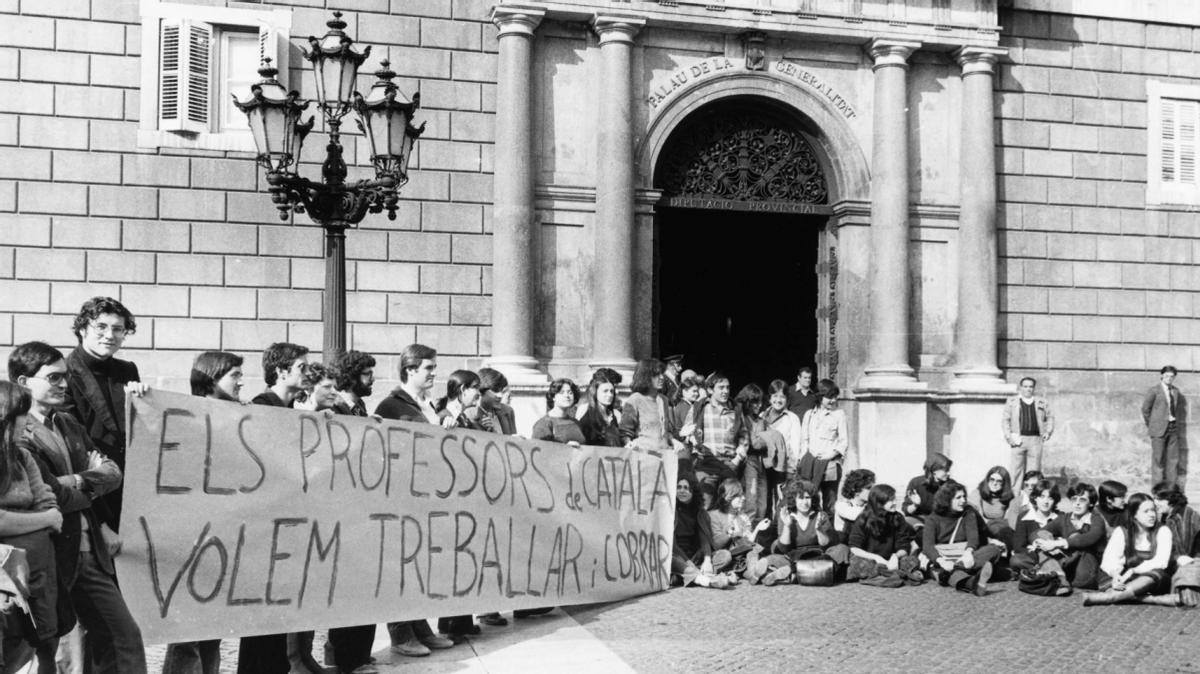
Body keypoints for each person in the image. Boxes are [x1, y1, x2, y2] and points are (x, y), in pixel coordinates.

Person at [9, 342, 144, 673]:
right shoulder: (16, 432)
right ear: (25, 382)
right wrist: (88, 481)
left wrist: (74, 481)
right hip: (50, 555)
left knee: (123, 636)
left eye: (65, 378)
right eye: (54, 378)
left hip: (89, 550)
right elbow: (54, 495)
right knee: (51, 652)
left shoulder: (68, 422)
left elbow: (112, 471)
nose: (64, 385)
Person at [160, 352, 244, 674]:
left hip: (224, 534)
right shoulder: (183, 416)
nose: (240, 381)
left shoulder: (237, 417)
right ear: (211, 379)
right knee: (189, 631)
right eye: (234, 374)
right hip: (191, 535)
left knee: (213, 627)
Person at [372, 344, 455, 657]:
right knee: (399, 566)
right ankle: (400, 634)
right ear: (410, 371)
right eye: (428, 368)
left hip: (425, 498)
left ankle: (420, 627)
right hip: (400, 501)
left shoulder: (429, 405)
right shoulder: (392, 406)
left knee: (418, 565)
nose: (434, 373)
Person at [60, 297, 141, 536]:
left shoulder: (128, 370)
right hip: (94, 490)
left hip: (130, 487)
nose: (110, 335)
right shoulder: (64, 372)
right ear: (83, 329)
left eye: (118, 329)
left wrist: (143, 401)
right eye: (101, 327)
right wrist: (102, 522)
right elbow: (75, 449)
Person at [0, 381, 63, 674]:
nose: (28, 420)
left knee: (37, 646)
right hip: (5, 580)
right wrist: (44, 521)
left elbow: (48, 504)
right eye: (23, 413)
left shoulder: (23, 457)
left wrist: (44, 518)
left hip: (36, 574)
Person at [1086, 493, 1174, 605]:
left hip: (1151, 580)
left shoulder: (1163, 531)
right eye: (1146, 511)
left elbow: (1161, 562)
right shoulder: (1122, 532)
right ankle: (1145, 598)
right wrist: (1115, 575)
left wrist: (1133, 570)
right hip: (1127, 578)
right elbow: (1110, 559)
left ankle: (1109, 597)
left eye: (1153, 510)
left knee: (1155, 574)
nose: (1152, 515)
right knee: (1105, 576)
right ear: (1134, 514)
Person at [922, 480, 999, 597]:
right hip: (942, 559)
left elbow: (973, 539)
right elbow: (928, 546)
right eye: (958, 497)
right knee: (945, 569)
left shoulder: (968, 513)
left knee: (994, 550)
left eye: (964, 496)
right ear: (946, 500)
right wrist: (942, 561)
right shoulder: (932, 519)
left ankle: (950, 573)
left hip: (965, 557)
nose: (963, 500)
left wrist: (968, 553)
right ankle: (972, 583)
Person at [846, 484, 922, 586]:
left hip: (892, 559)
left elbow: (904, 545)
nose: (895, 502)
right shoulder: (863, 518)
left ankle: (884, 575)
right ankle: (894, 575)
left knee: (912, 561)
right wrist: (877, 558)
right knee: (858, 564)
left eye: (895, 499)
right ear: (879, 503)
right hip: (870, 559)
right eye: (891, 500)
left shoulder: (898, 518)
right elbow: (854, 547)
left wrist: (895, 556)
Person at [1040, 482, 1107, 591]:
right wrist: (1042, 542)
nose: (1077, 504)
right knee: (1042, 550)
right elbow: (1038, 532)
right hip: (1069, 566)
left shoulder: (1096, 519)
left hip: (1089, 569)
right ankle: (1058, 577)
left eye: (1082, 500)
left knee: (1079, 545)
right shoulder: (1064, 519)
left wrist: (1059, 543)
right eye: (1074, 499)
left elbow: (1091, 537)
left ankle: (1056, 577)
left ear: (1090, 503)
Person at [772, 476, 850, 571]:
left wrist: (819, 530)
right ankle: (809, 571)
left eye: (807, 498)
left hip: (819, 554)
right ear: (794, 500)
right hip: (794, 556)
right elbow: (783, 548)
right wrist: (787, 526)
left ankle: (795, 572)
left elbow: (826, 545)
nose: (805, 502)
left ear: (812, 499)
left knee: (842, 549)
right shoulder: (786, 516)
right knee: (774, 552)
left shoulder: (821, 515)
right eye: (801, 498)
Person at [796, 379, 847, 512]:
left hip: (830, 465)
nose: (833, 400)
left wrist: (830, 455)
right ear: (820, 396)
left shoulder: (839, 415)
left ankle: (828, 531)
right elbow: (804, 439)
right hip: (810, 464)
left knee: (830, 503)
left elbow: (844, 442)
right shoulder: (809, 415)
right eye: (829, 397)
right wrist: (804, 457)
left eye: (835, 397)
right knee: (809, 499)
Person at [686, 372, 746, 483]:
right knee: (705, 499)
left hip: (729, 463)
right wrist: (694, 442)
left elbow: (744, 436)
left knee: (730, 498)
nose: (726, 391)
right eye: (721, 388)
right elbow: (687, 431)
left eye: (727, 387)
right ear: (710, 390)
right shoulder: (699, 407)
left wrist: (737, 460)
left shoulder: (735, 409)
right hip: (706, 463)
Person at [737, 384, 785, 521]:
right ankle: (747, 537)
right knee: (750, 501)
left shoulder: (761, 420)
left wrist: (768, 438)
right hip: (749, 462)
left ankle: (758, 537)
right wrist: (770, 438)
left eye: (759, 402)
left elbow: (767, 440)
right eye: (754, 402)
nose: (758, 405)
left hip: (762, 463)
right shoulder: (743, 418)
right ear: (747, 402)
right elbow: (755, 443)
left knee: (763, 503)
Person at [671, 476, 727, 589]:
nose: (682, 491)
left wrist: (707, 560)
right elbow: (673, 545)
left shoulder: (700, 513)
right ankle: (705, 580)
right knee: (671, 560)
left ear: (693, 492)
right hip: (678, 555)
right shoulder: (671, 510)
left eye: (686, 488)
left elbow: (704, 540)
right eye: (679, 487)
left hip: (695, 556)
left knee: (726, 555)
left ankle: (687, 575)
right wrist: (688, 563)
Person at [1001, 376, 1054, 487]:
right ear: (1021, 387)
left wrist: (1048, 432)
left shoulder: (1041, 402)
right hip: (1018, 439)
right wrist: (1008, 436)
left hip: (1035, 440)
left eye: (1030, 387)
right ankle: (1014, 497)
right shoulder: (1012, 401)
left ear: (1034, 388)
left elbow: (1050, 417)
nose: (1028, 389)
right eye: (1025, 386)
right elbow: (1005, 420)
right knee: (1016, 470)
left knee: (1034, 471)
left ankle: (1032, 496)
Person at [706, 479, 767, 574]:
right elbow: (716, 544)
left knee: (752, 553)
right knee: (726, 555)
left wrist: (758, 529)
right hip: (722, 554)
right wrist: (729, 533)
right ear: (727, 497)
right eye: (739, 496)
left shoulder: (743, 517)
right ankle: (747, 571)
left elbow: (749, 543)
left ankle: (752, 573)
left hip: (740, 556)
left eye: (743, 495)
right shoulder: (714, 515)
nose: (743, 498)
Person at [1142, 365, 1187, 489]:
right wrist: (1152, 425)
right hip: (1159, 430)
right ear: (1162, 376)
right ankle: (1157, 491)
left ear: (1174, 378)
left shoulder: (1176, 391)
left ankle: (1171, 490)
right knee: (1158, 461)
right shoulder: (1154, 391)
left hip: (1173, 428)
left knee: (1173, 460)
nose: (1169, 378)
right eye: (1166, 376)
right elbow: (1145, 409)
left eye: (1172, 376)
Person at [762, 380, 803, 511]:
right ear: (769, 398)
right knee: (765, 502)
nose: (778, 400)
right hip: (765, 466)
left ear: (787, 399)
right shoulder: (762, 416)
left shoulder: (792, 418)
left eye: (782, 397)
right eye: (775, 396)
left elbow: (795, 446)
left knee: (783, 502)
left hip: (784, 467)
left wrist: (792, 468)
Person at [618, 360, 675, 455]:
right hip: (643, 456)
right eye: (656, 375)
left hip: (664, 455)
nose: (661, 378)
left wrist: (673, 440)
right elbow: (625, 432)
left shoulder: (663, 400)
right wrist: (630, 445)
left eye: (662, 374)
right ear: (645, 377)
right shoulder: (635, 399)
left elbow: (666, 430)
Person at [1011, 479, 1061, 573]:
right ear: (1035, 498)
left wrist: (1054, 545)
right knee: (1016, 560)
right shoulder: (1024, 517)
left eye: (1050, 498)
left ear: (1055, 501)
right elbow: (1019, 547)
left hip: (1054, 556)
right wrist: (1037, 550)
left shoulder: (1059, 517)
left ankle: (1043, 572)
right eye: (1042, 496)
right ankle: (1046, 571)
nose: (1045, 502)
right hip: (1033, 558)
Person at [967, 466, 1019, 552]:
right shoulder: (977, 493)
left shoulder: (1009, 497)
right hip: (982, 528)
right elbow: (976, 516)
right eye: (992, 479)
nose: (994, 483)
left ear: (1005, 483)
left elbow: (1009, 520)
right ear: (987, 480)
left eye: (999, 481)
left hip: (1000, 530)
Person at [252, 342, 309, 408]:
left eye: (308, 367)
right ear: (281, 372)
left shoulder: (298, 406)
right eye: (302, 367)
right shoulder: (260, 406)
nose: (308, 373)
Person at [903, 453, 952, 529]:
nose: (949, 473)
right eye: (946, 470)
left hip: (942, 521)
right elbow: (907, 510)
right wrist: (915, 505)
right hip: (921, 521)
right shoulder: (916, 483)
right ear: (934, 470)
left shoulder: (951, 484)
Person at [531, 379, 585, 446]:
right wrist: (565, 448)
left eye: (570, 392)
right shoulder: (543, 424)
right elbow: (540, 451)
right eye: (562, 392)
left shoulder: (576, 423)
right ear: (553, 397)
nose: (567, 396)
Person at [577, 370, 622, 447]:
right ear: (595, 393)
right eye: (605, 391)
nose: (609, 395)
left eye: (611, 391)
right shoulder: (587, 419)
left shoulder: (613, 416)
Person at [467, 368, 516, 436]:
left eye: (501, 391)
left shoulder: (508, 411)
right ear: (481, 390)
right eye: (495, 391)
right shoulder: (468, 414)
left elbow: (511, 441)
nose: (500, 395)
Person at [833, 469, 875, 541]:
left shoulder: (870, 505)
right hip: (845, 543)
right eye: (868, 488)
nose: (873, 491)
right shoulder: (842, 505)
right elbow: (856, 515)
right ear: (855, 489)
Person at [331, 350, 376, 417]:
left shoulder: (359, 405)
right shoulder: (334, 409)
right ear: (352, 378)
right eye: (367, 374)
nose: (373, 379)